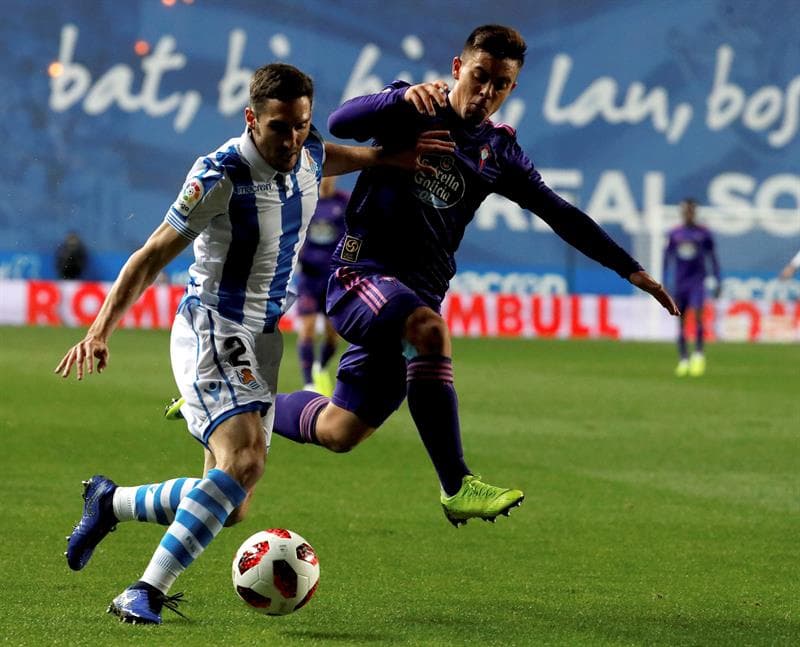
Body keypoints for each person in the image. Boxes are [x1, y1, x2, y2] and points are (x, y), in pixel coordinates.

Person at [55, 62, 453, 625]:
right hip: (214, 328)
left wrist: (385, 158)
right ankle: (144, 590)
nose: (291, 140)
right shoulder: (218, 175)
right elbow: (150, 255)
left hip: (263, 339)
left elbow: (327, 155)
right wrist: (99, 330)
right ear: (251, 119)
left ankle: (110, 502)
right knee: (245, 461)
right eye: (278, 128)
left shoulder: (306, 151)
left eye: (301, 125)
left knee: (231, 502)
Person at [268, 25, 679, 528]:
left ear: (511, 88)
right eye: (480, 76)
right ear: (458, 68)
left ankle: (242, 402)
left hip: (417, 296)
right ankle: (457, 484)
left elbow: (560, 213)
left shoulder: (499, 152)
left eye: (500, 85)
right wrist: (398, 97)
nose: (485, 92)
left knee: (340, 430)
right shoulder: (414, 105)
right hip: (361, 276)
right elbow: (340, 121)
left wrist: (630, 268)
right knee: (428, 330)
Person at [295, 175, 348, 395]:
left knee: (332, 335)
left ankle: (320, 366)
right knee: (307, 329)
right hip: (309, 278)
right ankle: (308, 383)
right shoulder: (305, 201)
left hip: (334, 279)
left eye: (331, 175)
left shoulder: (344, 203)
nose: (327, 179)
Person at [663, 198, 720, 377]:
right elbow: (666, 259)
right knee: (680, 320)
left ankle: (698, 354)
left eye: (691, 210)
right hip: (680, 283)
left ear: (695, 212)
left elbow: (713, 257)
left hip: (697, 282)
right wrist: (664, 282)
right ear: (682, 212)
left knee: (698, 317)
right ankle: (683, 359)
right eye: (685, 210)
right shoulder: (674, 233)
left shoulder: (703, 233)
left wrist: (717, 279)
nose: (688, 214)